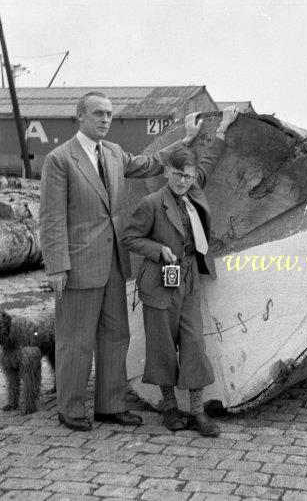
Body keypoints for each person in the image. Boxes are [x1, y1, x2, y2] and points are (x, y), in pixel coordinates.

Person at [39, 91, 203, 432]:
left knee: (116, 335)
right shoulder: (60, 159)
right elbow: (51, 219)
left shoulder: (113, 153)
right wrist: (56, 266)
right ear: (80, 116)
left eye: (109, 113)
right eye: (98, 113)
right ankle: (70, 409)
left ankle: (109, 406)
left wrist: (184, 138)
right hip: (77, 265)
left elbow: (151, 163)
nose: (105, 118)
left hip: (115, 262)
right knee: (76, 339)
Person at [122, 107, 238, 435]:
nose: (184, 181)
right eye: (178, 175)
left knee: (193, 343)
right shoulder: (152, 204)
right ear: (167, 173)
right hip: (159, 281)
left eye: (188, 176)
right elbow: (130, 237)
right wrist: (157, 249)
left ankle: (198, 412)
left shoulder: (193, 188)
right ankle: (171, 410)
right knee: (161, 346)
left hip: (188, 279)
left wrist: (222, 129)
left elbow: (208, 162)